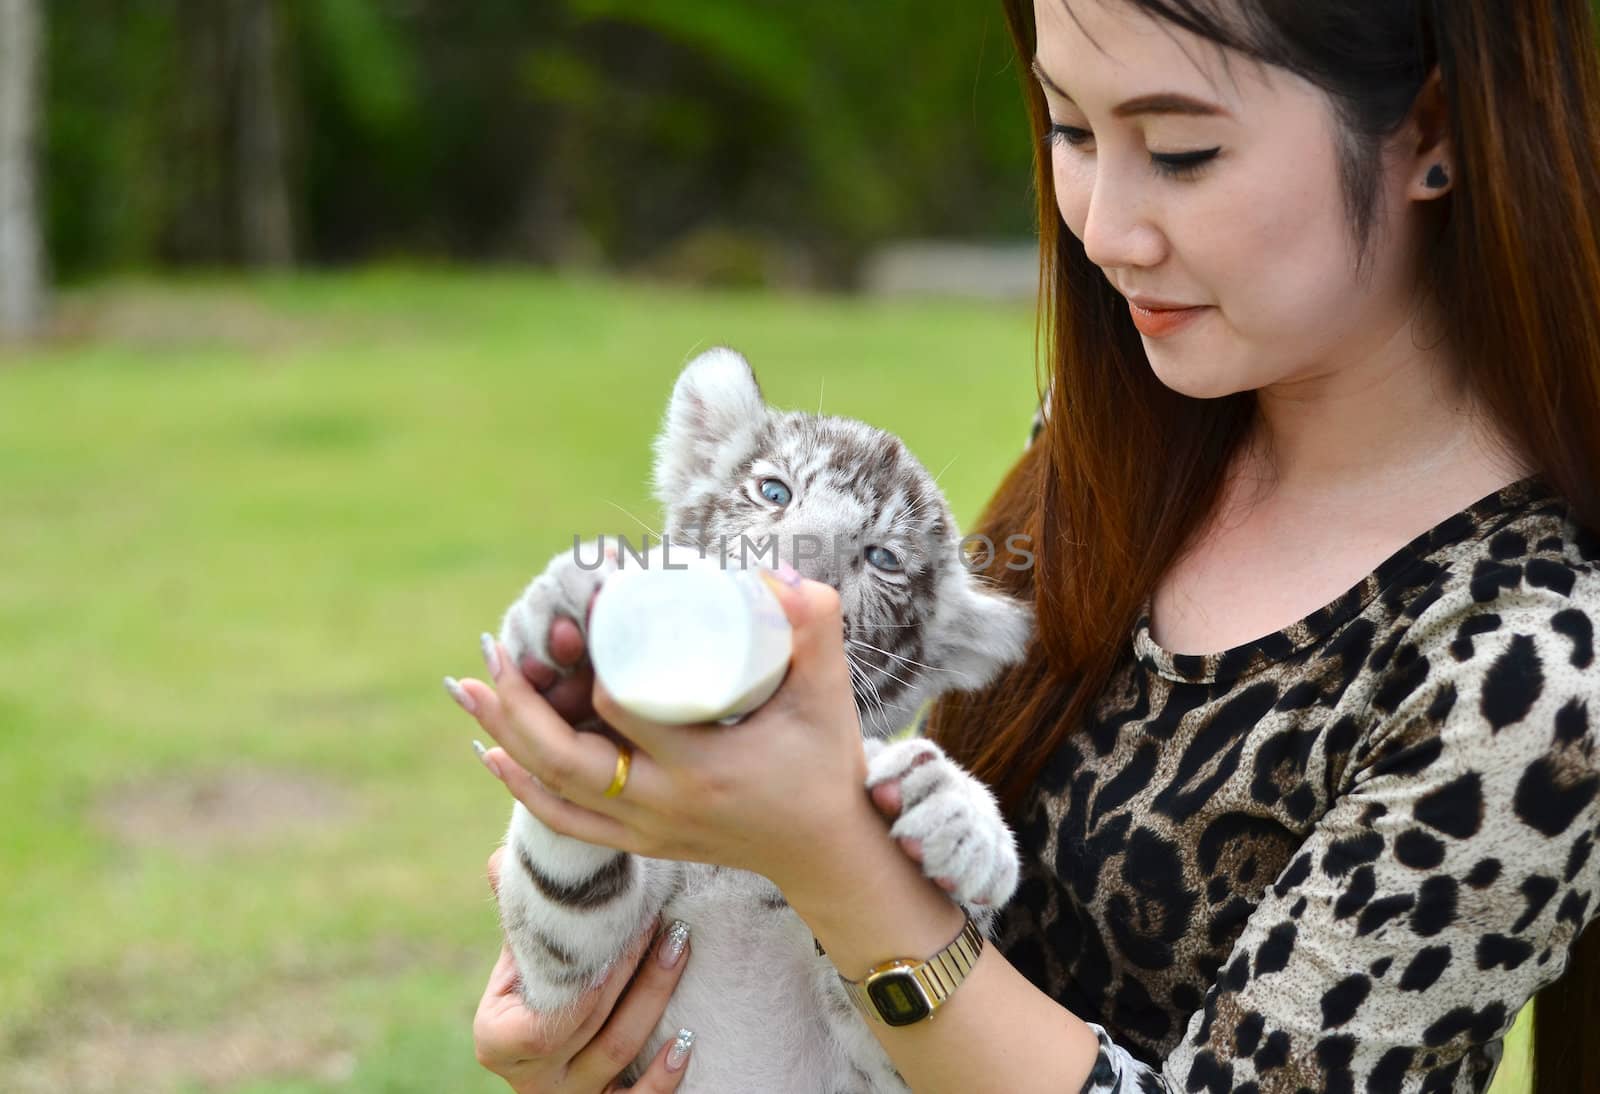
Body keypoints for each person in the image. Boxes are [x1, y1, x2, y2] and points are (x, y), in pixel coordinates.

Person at [452, 0, 1600, 1090]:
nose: (1101, 229)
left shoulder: (1536, 670)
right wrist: (603, 1008)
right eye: (1067, 126)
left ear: (1432, 134)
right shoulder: (1124, 425)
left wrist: (834, 865)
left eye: (1182, 152)